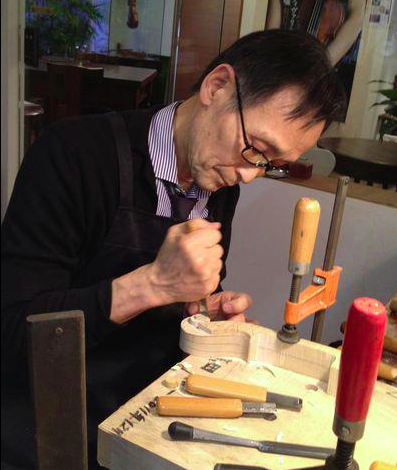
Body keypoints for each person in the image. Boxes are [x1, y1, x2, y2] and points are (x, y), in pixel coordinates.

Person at [1, 30, 345, 469]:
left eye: (270, 165)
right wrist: (152, 285)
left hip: (148, 416)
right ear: (216, 87)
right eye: (256, 149)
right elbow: (12, 329)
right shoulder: (73, 155)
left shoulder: (219, 178)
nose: (250, 175)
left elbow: (181, 303)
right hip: (49, 430)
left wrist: (200, 313)